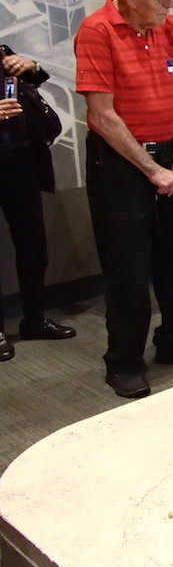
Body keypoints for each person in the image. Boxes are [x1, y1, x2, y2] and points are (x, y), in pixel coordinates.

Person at [75, 0, 173, 399]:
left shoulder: (170, 28)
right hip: (119, 162)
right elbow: (102, 114)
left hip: (168, 159)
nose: (169, 5)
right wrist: (151, 168)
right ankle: (124, 361)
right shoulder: (97, 31)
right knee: (130, 268)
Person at [0, 49, 77, 362]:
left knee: (33, 247)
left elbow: (35, 82)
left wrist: (33, 65)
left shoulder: (2, 52)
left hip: (21, 164)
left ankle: (34, 319)